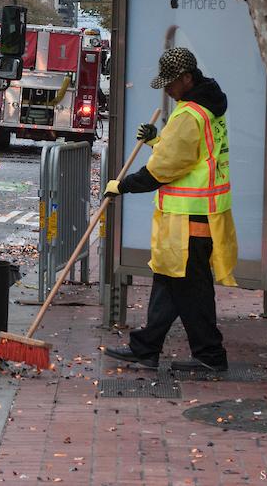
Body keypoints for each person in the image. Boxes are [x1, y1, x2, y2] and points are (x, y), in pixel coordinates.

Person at [102, 47, 237, 373]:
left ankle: (210, 356)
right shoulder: (208, 108)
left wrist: (122, 186)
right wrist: (156, 141)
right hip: (198, 216)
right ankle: (146, 348)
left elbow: (164, 169)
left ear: (187, 79)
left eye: (171, 82)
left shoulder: (190, 115)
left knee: (191, 291)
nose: (166, 89)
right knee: (169, 284)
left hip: (189, 221)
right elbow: (187, 154)